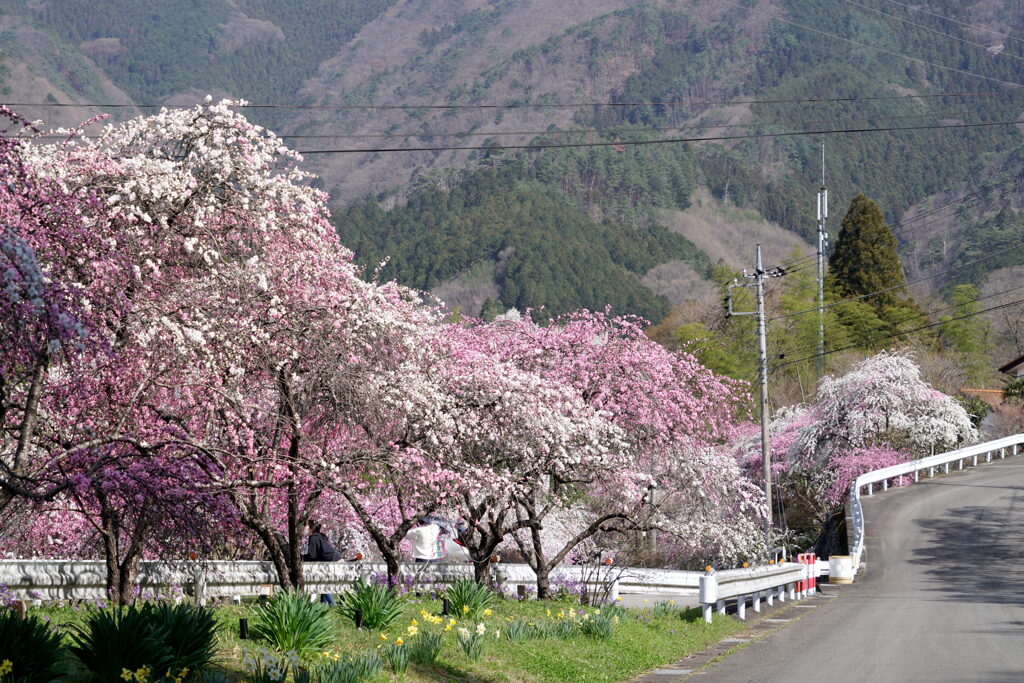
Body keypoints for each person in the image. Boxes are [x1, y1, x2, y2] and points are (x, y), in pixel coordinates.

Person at [302, 520, 341, 605]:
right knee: (322, 582)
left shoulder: (313, 537)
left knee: (321, 583)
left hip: (332, 563)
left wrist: (300, 558)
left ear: (310, 528)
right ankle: (324, 604)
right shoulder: (319, 536)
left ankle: (332, 604)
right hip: (335, 561)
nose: (303, 528)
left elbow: (312, 556)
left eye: (305, 526)